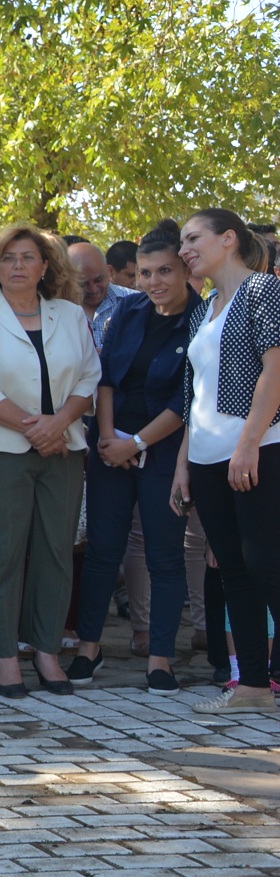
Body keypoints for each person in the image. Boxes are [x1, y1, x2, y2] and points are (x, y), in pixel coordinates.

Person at [0, 224, 98, 698]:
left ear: (45, 266)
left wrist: (56, 425)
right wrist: (35, 428)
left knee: (57, 552)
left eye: (28, 257)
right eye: (8, 258)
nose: (18, 265)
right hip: (0, 451)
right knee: (3, 553)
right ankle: (4, 657)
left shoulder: (70, 315)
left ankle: (45, 651)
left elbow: (89, 378)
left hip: (64, 446)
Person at [72, 221, 191, 692]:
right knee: (102, 551)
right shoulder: (128, 310)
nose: (153, 281)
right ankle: (88, 648)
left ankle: (160, 657)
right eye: (144, 273)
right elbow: (104, 379)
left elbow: (186, 400)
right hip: (111, 445)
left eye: (164, 271)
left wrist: (136, 444)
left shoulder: (200, 319)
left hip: (166, 452)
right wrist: (107, 438)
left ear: (185, 270)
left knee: (164, 556)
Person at [172, 208, 280, 714]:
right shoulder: (206, 305)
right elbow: (196, 393)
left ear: (229, 239)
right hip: (209, 456)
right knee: (233, 570)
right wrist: (183, 465)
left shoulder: (263, 290)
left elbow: (274, 371)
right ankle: (254, 684)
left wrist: (248, 444)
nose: (184, 249)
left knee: (267, 564)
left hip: (257, 450)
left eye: (193, 238)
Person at [68, 240, 138, 350]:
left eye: (98, 280)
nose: (93, 289)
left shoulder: (135, 302)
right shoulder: (57, 310)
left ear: (109, 271)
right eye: (83, 284)